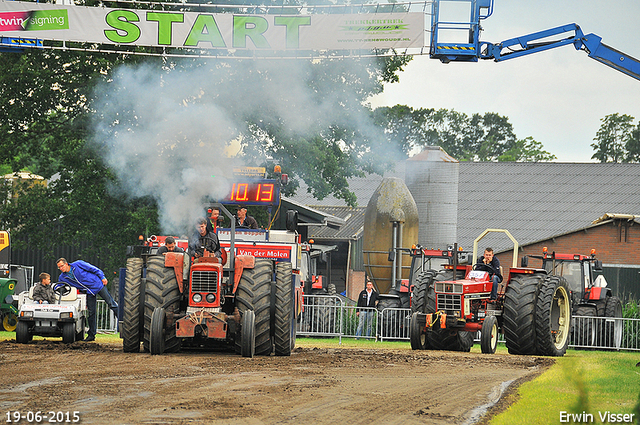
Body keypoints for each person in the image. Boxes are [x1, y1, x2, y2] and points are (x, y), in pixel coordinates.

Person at [57, 258, 118, 342]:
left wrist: (102, 277)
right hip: (88, 292)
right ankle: (91, 335)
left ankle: (123, 321)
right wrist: (57, 288)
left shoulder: (78, 264)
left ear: (66, 264)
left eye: (62, 266)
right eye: (59, 267)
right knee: (91, 313)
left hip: (98, 285)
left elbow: (93, 269)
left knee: (111, 304)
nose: (61, 268)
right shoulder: (63, 277)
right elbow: (60, 285)